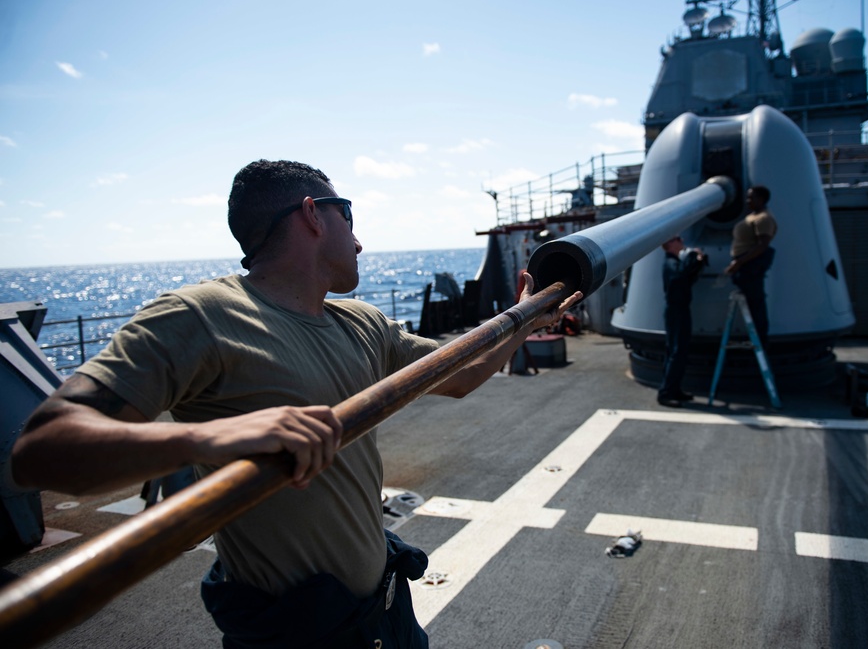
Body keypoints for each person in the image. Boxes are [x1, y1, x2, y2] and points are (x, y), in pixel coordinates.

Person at [11, 159, 581, 648]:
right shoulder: (199, 315)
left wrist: (527, 316)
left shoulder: (362, 322)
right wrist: (217, 438)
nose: (359, 242)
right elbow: (43, 452)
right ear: (312, 214)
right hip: (296, 630)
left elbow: (462, 372)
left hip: (386, 611)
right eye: (349, 219)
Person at [724, 185, 778, 350]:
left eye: (751, 197)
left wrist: (739, 262)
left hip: (750, 267)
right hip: (745, 266)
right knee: (752, 304)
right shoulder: (754, 217)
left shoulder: (763, 219)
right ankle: (756, 339)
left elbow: (762, 245)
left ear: (762, 199)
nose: (748, 201)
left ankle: (760, 342)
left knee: (756, 305)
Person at [657, 236, 707, 408]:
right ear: (670, 244)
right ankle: (666, 393)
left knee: (678, 350)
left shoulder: (674, 262)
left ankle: (675, 389)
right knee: (676, 351)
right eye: (677, 239)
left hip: (680, 310)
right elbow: (680, 277)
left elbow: (686, 279)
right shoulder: (670, 263)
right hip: (676, 311)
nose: (682, 241)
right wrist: (694, 257)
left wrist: (698, 261)